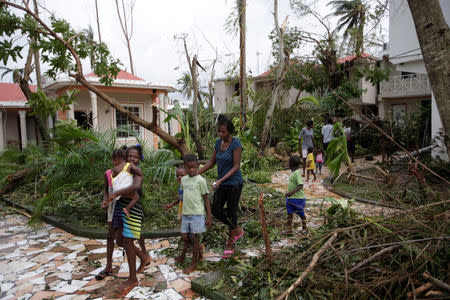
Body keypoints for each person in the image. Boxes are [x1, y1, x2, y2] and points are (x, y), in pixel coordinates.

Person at [198, 115, 244, 259]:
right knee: (215, 209)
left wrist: (220, 180)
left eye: (223, 131)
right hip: (221, 183)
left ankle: (230, 244)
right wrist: (195, 173)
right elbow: (211, 163)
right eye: (219, 131)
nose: (220, 134)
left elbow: (236, 166)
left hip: (234, 183)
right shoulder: (218, 144)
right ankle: (236, 230)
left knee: (231, 212)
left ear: (229, 131)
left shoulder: (236, 144)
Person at [108, 147, 150, 295]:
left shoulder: (136, 172)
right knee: (120, 241)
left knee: (128, 241)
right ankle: (143, 257)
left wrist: (118, 193)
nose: (131, 160)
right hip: (120, 207)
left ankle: (132, 278)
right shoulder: (119, 172)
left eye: (134, 157)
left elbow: (137, 186)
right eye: (128, 157)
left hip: (133, 209)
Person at [96, 148, 129, 281]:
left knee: (122, 240)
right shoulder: (108, 173)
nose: (118, 165)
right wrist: (105, 201)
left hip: (124, 209)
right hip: (111, 209)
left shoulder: (128, 173)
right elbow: (106, 190)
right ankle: (108, 266)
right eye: (116, 162)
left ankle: (142, 257)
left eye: (121, 162)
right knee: (110, 236)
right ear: (113, 160)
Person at [175, 154, 212, 274]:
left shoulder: (200, 181)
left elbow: (206, 198)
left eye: (194, 167)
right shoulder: (184, 180)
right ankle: (199, 248)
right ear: (185, 168)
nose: (191, 170)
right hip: (186, 214)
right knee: (184, 237)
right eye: (189, 168)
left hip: (197, 214)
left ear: (197, 166)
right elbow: (183, 196)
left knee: (194, 238)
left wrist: (209, 216)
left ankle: (194, 263)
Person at [284, 155, 307, 235]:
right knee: (289, 214)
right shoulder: (293, 173)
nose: (288, 165)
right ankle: (289, 230)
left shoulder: (297, 173)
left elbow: (300, 185)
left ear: (292, 164)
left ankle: (305, 228)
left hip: (298, 199)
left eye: (289, 163)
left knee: (301, 214)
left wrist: (291, 193)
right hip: (290, 199)